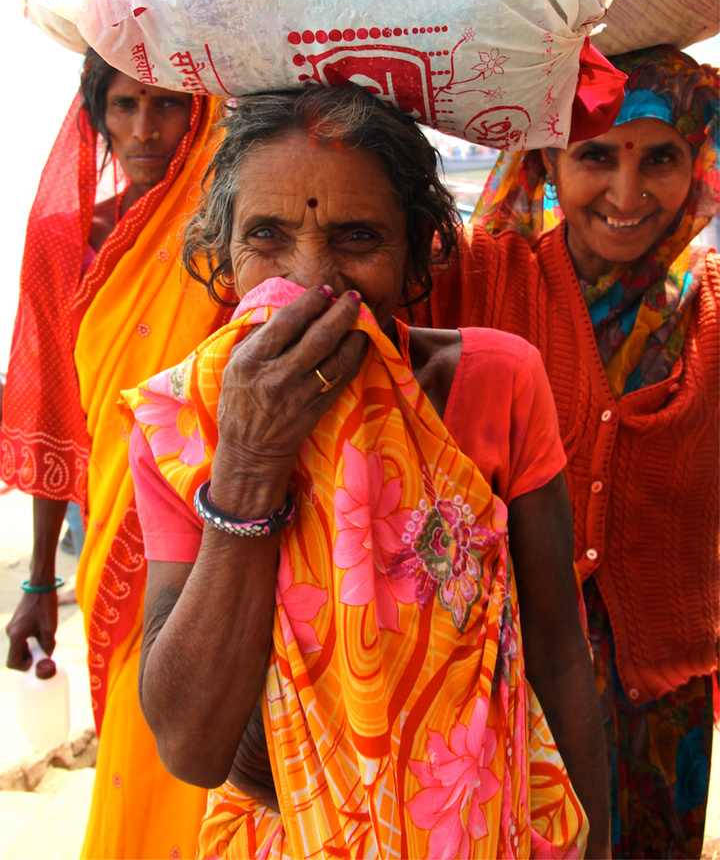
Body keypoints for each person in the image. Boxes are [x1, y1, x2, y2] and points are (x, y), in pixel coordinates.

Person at [123, 84, 611, 858]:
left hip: (486, 829)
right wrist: (249, 466)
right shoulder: (185, 427)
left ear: (417, 252)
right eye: (268, 238)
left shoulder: (497, 383)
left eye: (357, 238)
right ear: (221, 259)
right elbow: (192, 747)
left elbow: (556, 652)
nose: (315, 282)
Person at [410, 45, 719, 859]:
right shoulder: (479, 278)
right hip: (503, 681)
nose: (626, 194)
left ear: (701, 162)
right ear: (548, 157)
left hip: (664, 701)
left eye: (661, 159)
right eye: (594, 157)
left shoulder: (713, 311)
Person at [2, 49, 230, 859]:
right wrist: (36, 581)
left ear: (199, 112)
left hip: (219, 552)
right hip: (116, 555)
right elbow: (61, 424)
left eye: (167, 105)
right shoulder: (67, 241)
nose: (144, 129)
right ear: (95, 111)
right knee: (136, 756)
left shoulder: (227, 237)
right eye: (124, 105)